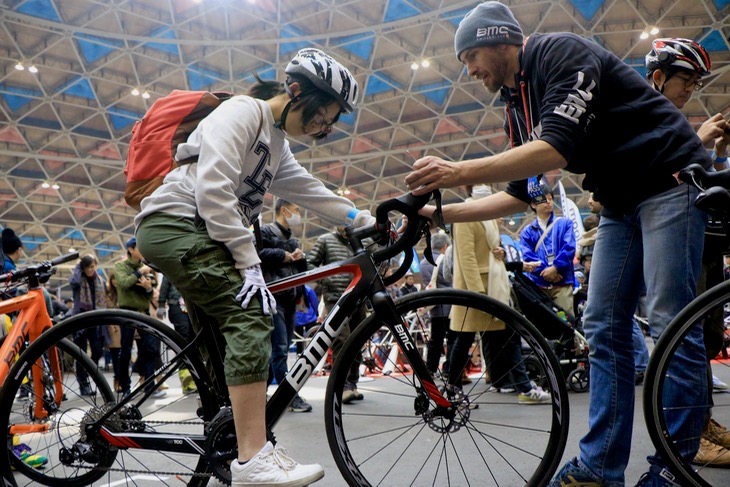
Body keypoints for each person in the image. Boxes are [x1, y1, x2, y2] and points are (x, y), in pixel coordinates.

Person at [404, 3, 709, 485]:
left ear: (502, 41)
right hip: (619, 202)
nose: (469, 70)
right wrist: (436, 213)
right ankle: (599, 467)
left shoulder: (558, 52)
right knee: (604, 325)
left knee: (672, 321)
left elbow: (556, 149)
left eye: (472, 56)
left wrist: (458, 171)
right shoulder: (516, 104)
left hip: (668, 181)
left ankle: (673, 468)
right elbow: (518, 195)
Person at [134, 48, 374, 486]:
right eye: (324, 116)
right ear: (297, 91)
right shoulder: (244, 112)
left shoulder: (276, 141)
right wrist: (249, 263)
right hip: (175, 225)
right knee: (251, 313)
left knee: (222, 349)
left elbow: (308, 188)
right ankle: (251, 458)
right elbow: (212, 191)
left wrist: (361, 219)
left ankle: (231, 444)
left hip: (201, 234)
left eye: (332, 123)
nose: (325, 128)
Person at [646, 36, 730, 466]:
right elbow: (647, 184)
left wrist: (715, 152)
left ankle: (703, 418)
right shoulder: (642, 120)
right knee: (684, 333)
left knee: (708, 332)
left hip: (704, 240)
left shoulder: (675, 122)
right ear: (658, 78)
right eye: (686, 81)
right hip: (671, 239)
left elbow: (700, 181)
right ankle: (690, 431)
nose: (690, 91)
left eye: (696, 84)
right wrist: (698, 139)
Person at [449, 184, 548, 404]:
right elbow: (466, 258)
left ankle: (520, 386)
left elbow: (487, 249)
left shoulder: (487, 213)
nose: (484, 186)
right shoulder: (465, 215)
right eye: (478, 183)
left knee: (502, 337)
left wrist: (500, 253)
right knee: (465, 339)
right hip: (479, 290)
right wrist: (477, 293)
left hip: (493, 285)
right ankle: (453, 389)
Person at [259, 199, 312, 413]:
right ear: (284, 210)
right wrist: (284, 255)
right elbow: (257, 255)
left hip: (290, 298)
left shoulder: (292, 238)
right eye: (297, 209)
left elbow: (299, 269)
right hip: (274, 296)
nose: (298, 214)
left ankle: (263, 393)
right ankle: (288, 396)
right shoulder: (266, 232)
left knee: (280, 348)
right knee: (280, 349)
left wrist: (300, 258)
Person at [307, 225, 368, 404]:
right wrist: (326, 281)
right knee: (342, 340)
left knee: (358, 340)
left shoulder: (360, 241)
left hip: (360, 296)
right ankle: (340, 387)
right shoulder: (325, 240)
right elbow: (310, 263)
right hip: (336, 298)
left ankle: (351, 384)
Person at [114, 237, 163, 398]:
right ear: (130, 249)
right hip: (127, 311)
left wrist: (148, 288)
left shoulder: (146, 267)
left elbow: (153, 288)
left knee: (149, 348)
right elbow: (124, 282)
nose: (142, 251)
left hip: (144, 312)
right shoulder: (120, 266)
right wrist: (139, 273)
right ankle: (125, 387)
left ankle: (149, 387)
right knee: (125, 350)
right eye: (139, 248)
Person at [518, 182, 576, 314]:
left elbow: (569, 248)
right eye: (544, 199)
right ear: (533, 204)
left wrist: (555, 268)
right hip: (538, 285)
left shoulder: (565, 223)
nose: (548, 202)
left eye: (550, 198)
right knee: (541, 325)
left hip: (563, 282)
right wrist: (546, 271)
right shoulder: (527, 231)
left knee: (566, 321)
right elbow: (528, 256)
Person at [68, 254, 107, 396]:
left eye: (93, 266)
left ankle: (88, 375)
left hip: (95, 320)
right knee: (81, 354)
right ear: (83, 267)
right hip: (80, 321)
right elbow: (74, 282)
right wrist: (78, 268)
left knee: (97, 351)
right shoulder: (78, 280)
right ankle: (84, 385)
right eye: (88, 267)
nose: (91, 269)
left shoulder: (99, 280)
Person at [156, 274, 197, 394]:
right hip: (177, 306)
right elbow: (165, 284)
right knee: (184, 340)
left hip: (193, 304)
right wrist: (161, 304)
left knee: (195, 340)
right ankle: (186, 378)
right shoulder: (170, 260)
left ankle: (196, 377)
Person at [420, 232, 454, 376]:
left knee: (436, 339)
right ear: (445, 246)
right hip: (450, 305)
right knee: (452, 338)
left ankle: (431, 369)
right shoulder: (446, 259)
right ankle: (449, 369)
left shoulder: (423, 262)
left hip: (434, 306)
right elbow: (451, 279)